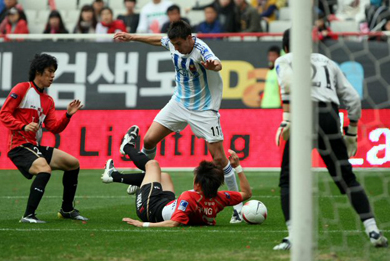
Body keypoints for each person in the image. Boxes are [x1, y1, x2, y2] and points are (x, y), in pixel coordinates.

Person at [113, 20, 244, 223]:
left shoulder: (200, 49)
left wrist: (213, 66)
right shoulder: (174, 44)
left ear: (189, 38)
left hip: (204, 109)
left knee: (219, 158)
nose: (176, 48)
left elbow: (216, 63)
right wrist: (132, 37)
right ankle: (145, 179)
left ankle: (238, 209)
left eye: (179, 44)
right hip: (179, 103)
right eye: (173, 44)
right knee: (148, 140)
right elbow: (159, 40)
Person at [273, 29, 388, 250]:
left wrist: (287, 120)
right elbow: (353, 97)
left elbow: (287, 84)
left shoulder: (285, 59)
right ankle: (373, 230)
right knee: (346, 178)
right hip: (330, 117)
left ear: (286, 47)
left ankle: (294, 237)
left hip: (303, 115)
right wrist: (352, 132)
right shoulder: (327, 61)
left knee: (288, 180)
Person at [101, 125, 252, 227]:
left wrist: (143, 224)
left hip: (149, 210)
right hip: (166, 203)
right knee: (164, 176)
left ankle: (126, 147)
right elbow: (247, 193)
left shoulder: (189, 197)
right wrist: (236, 167)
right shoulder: (220, 198)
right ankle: (116, 176)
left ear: (197, 185)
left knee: (153, 165)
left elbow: (174, 223)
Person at [0, 54, 88, 223]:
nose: (53, 75)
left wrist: (68, 115)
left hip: (33, 146)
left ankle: (67, 209)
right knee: (44, 169)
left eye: (54, 72)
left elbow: (54, 128)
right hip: (18, 146)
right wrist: (22, 126)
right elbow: (3, 114)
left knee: (72, 164)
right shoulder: (22, 88)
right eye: (50, 71)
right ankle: (28, 215)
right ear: (38, 72)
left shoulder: (48, 100)